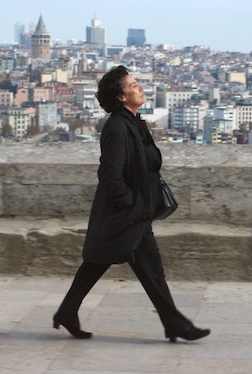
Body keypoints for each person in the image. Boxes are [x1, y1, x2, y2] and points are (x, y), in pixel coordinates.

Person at [53, 65, 210, 343]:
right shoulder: (117, 127)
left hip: (135, 211)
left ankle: (68, 312)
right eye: (133, 85)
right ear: (121, 97)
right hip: (126, 213)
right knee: (129, 266)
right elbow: (110, 175)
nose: (140, 88)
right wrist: (130, 204)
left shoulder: (134, 123)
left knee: (112, 264)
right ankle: (176, 325)